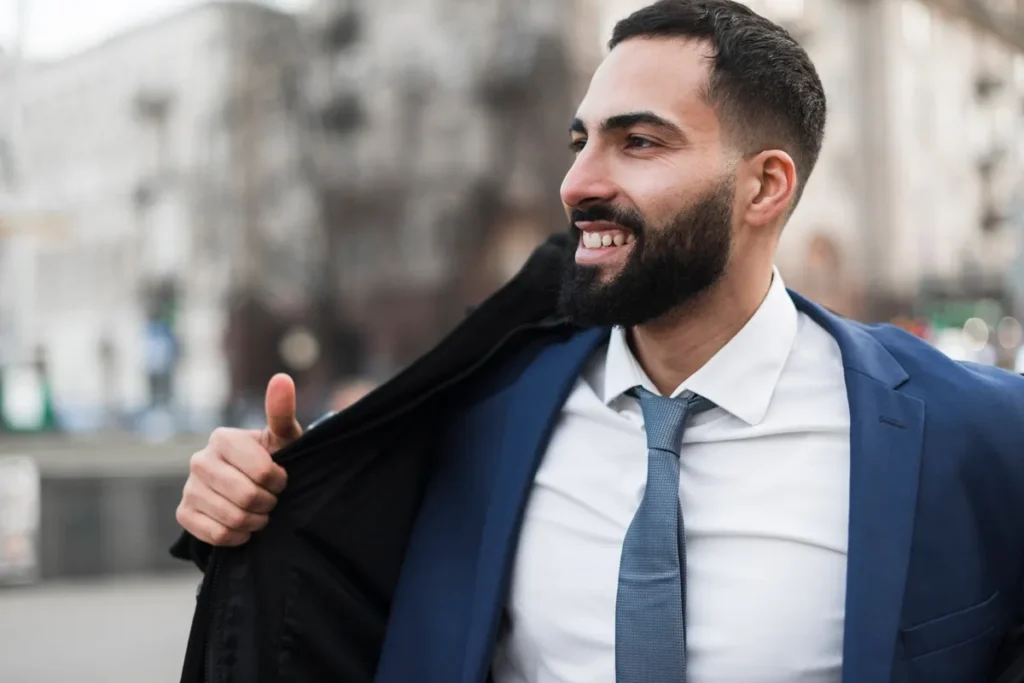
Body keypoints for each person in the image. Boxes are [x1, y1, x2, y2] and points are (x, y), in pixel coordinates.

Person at [172, 2, 1024, 682]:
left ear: (765, 185)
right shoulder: (477, 419)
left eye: (639, 141)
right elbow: (324, 582)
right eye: (581, 141)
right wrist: (267, 489)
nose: (578, 183)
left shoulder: (978, 436)